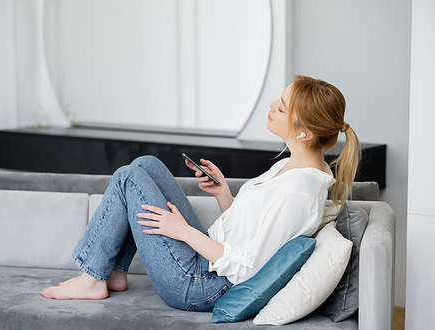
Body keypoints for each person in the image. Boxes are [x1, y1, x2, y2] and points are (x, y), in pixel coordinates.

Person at [41, 75, 360, 312]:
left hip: (201, 286)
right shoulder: (295, 165)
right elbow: (253, 233)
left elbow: (248, 269)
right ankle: (116, 273)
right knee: (146, 164)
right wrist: (225, 195)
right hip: (209, 258)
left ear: (304, 132)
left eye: (281, 107)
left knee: (129, 178)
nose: (271, 107)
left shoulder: (300, 193)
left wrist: (183, 232)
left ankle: (93, 278)